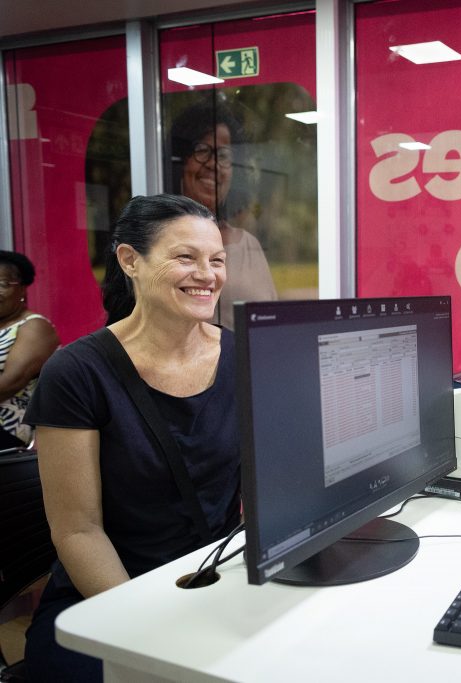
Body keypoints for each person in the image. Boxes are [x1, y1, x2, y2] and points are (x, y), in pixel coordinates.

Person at [23, 194, 241, 682]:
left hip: (215, 579)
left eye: (217, 260)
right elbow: (78, 532)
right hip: (111, 598)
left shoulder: (243, 354)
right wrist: (147, 630)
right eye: (186, 257)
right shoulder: (77, 373)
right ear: (130, 261)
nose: (207, 274)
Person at [169, 98, 277, 329]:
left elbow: (270, 329)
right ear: (180, 160)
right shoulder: (156, 239)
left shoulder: (249, 245)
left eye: (225, 155)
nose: (214, 164)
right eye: (201, 150)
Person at [0, 250, 59, 449]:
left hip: (7, 428)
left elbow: (10, 382)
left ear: (23, 288)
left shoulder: (34, 327)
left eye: (3, 284)